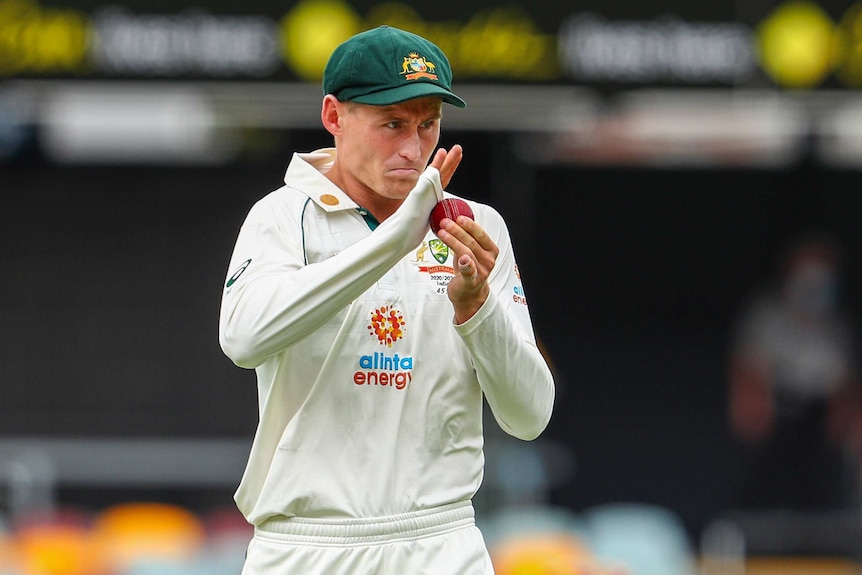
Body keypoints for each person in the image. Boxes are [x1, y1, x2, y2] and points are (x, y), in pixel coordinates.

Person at [218, 25, 555, 574]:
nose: (413, 148)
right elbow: (243, 338)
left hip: (442, 541)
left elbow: (530, 416)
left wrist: (477, 310)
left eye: (428, 125)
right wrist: (395, 239)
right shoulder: (281, 218)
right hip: (307, 546)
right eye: (392, 123)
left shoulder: (477, 226)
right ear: (334, 116)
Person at [728, 232, 860, 511]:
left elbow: (844, 384)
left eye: (823, 273)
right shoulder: (766, 315)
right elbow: (747, 369)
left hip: (819, 419)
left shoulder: (838, 325)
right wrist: (750, 404)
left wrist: (845, 419)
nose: (814, 283)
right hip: (777, 414)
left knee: (824, 481)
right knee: (764, 483)